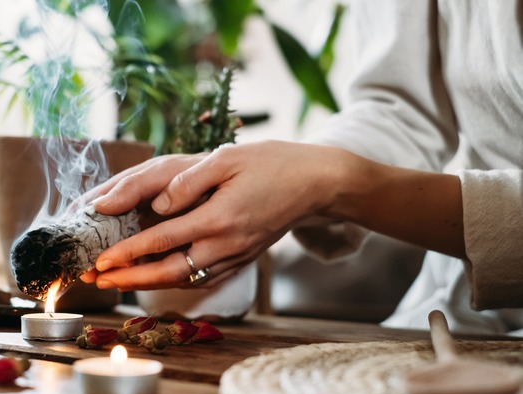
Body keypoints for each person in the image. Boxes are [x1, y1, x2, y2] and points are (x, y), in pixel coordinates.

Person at [80, 0, 523, 335]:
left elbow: (340, 177)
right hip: (457, 313)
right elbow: (399, 109)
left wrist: (331, 183)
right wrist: (275, 181)